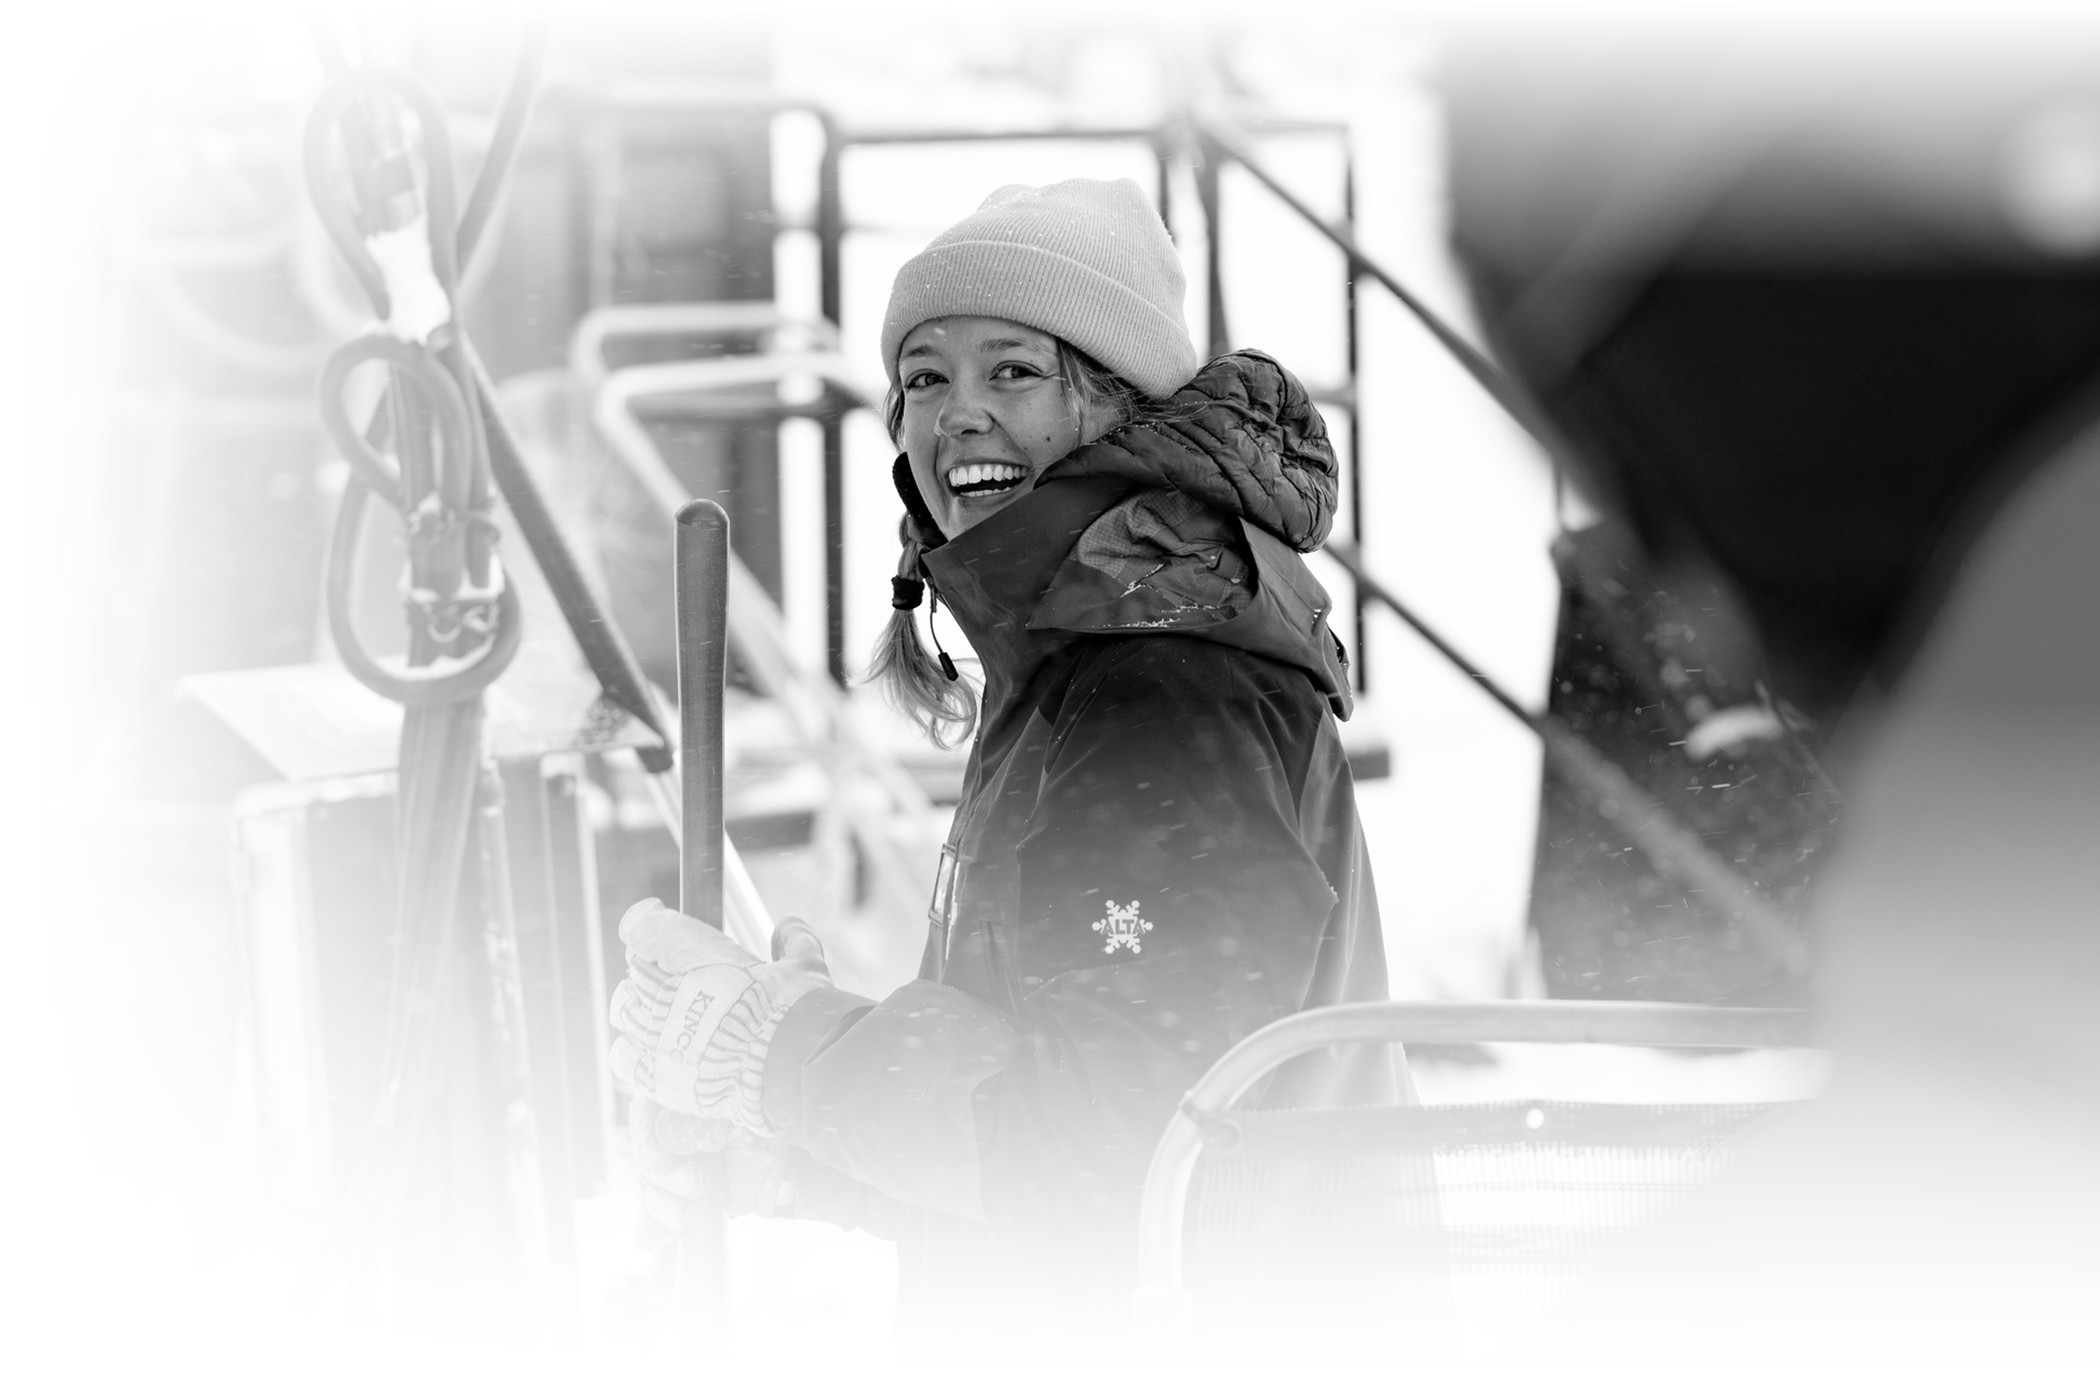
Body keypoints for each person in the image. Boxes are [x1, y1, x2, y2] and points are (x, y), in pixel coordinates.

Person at [609, 177, 1395, 1334]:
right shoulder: (1082, 654)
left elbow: (1124, 1135)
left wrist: (790, 1050)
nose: (958, 413)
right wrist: (798, 1137)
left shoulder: (1159, 682)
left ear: (1121, 407)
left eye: (1014, 371)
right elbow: (1040, 1121)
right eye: (924, 377)